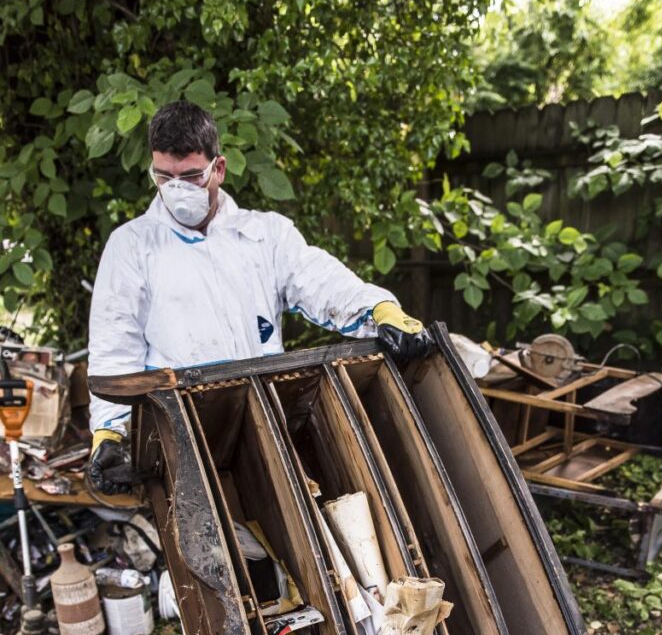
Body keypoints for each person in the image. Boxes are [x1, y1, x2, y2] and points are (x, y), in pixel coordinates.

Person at [87, 100, 432, 495]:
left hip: (265, 422)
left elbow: (320, 281)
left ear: (219, 168)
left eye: (191, 176)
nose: (178, 191)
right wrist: (109, 435)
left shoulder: (265, 236)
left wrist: (380, 309)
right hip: (178, 435)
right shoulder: (131, 246)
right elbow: (115, 348)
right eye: (165, 178)